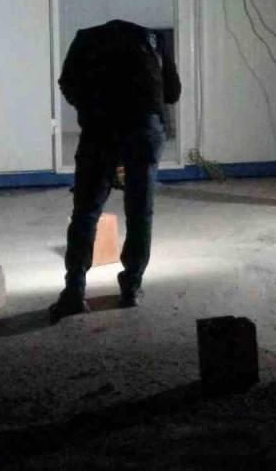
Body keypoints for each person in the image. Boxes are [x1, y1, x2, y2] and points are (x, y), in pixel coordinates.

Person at [50, 20, 181, 321]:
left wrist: (91, 110)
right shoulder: (153, 40)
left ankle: (74, 291)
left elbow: (67, 83)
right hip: (144, 130)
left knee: (86, 211)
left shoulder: (86, 38)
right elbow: (172, 92)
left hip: (100, 129)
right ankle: (131, 288)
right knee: (140, 211)